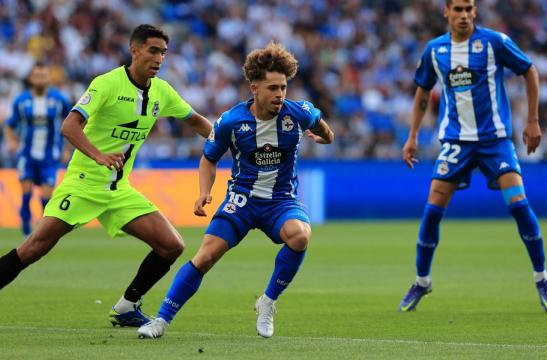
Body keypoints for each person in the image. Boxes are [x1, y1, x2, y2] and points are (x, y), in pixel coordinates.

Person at [0, 24, 212, 328]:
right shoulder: (107, 84)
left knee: (172, 245)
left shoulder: (162, 92)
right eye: (153, 51)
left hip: (119, 191)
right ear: (134, 49)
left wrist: (233, 139)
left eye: (163, 53)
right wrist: (99, 156)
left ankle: (127, 306)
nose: (159, 59)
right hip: (84, 184)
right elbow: (69, 126)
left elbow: (196, 121)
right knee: (33, 248)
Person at [137, 42, 334, 339]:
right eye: (272, 88)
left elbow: (324, 130)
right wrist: (204, 191)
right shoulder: (231, 121)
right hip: (241, 201)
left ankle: (267, 302)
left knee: (301, 235)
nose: (280, 94)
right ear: (255, 88)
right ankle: (161, 320)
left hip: (280, 201)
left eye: (283, 87)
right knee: (205, 256)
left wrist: (324, 139)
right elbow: (208, 158)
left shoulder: (300, 113)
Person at [398, 0, 547, 313]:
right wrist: (413, 135)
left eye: (469, 8)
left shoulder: (494, 42)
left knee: (519, 205)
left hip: (494, 141)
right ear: (446, 12)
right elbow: (421, 92)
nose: (464, 15)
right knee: (432, 211)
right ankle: (422, 281)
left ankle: (542, 278)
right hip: (456, 142)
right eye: (458, 9)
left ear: (475, 11)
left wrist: (533, 120)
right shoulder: (435, 50)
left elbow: (530, 71)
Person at [3, 62, 72, 237]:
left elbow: (73, 122)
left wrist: (67, 148)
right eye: (37, 76)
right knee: (26, 196)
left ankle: (41, 233)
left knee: (46, 199)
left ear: (49, 78)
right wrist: (11, 142)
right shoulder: (21, 101)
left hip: (50, 156)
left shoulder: (59, 99)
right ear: (31, 79)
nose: (40, 79)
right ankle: (26, 221)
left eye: (43, 75)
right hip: (27, 154)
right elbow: (9, 125)